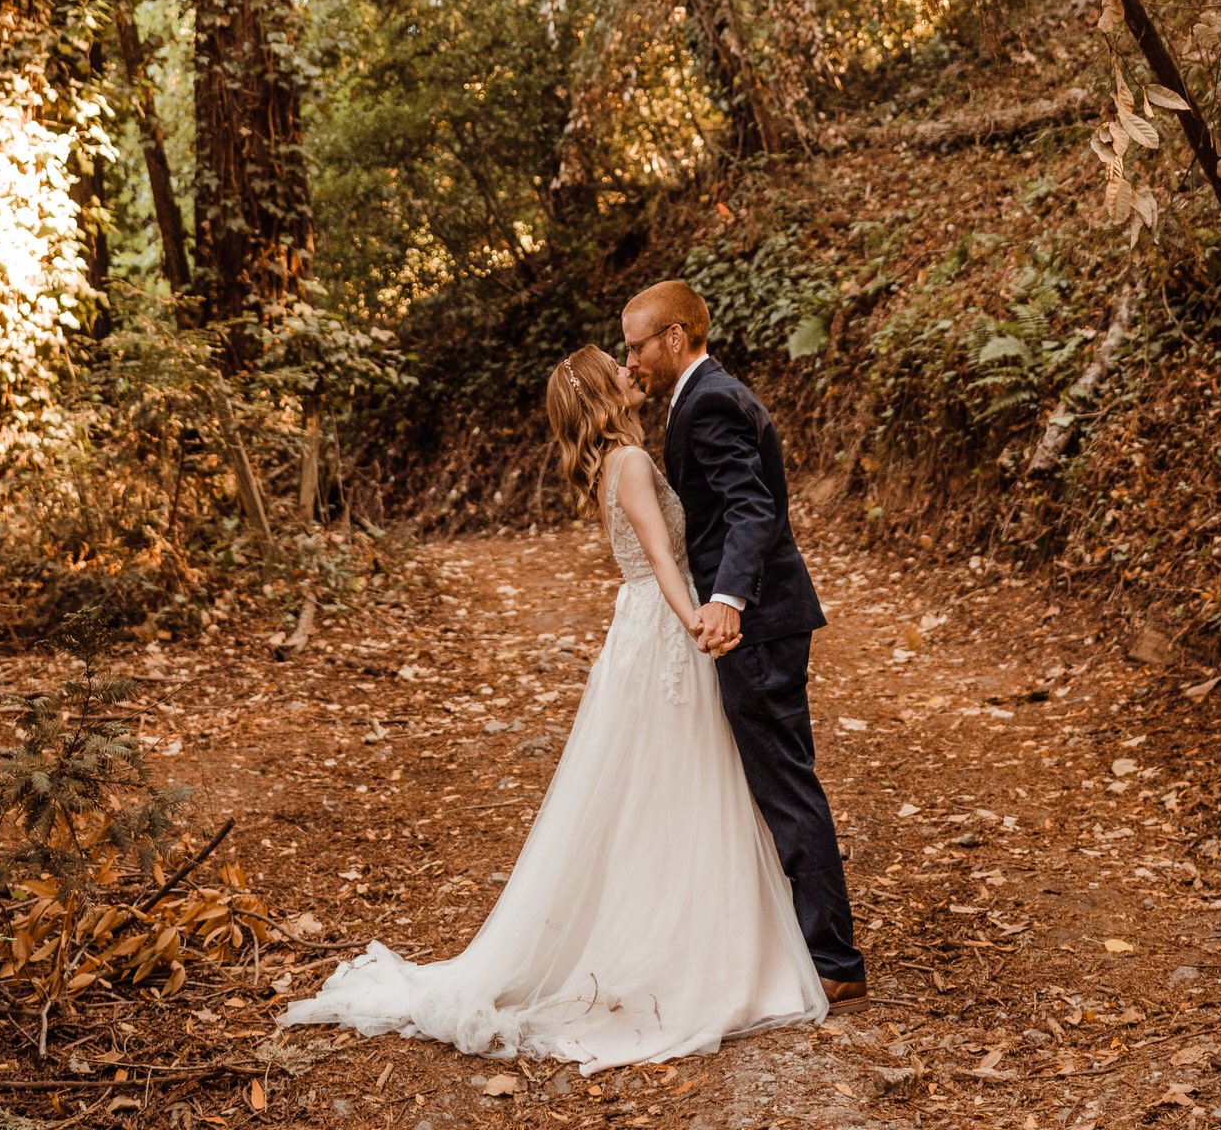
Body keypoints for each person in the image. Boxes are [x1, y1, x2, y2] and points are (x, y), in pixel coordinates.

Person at [280, 344, 826, 1071]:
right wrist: (694, 618)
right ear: (604, 390)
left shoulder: (622, 457)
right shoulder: (628, 463)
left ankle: (708, 939)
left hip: (648, 626)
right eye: (619, 366)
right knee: (674, 782)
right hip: (664, 626)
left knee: (671, 780)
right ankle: (685, 950)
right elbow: (664, 557)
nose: (633, 370)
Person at [621, 277, 866, 1003]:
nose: (629, 357)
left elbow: (751, 509)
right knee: (783, 780)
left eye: (637, 344)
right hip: (767, 618)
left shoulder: (709, 404)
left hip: (757, 623)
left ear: (674, 338)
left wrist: (727, 599)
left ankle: (834, 962)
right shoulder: (705, 396)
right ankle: (813, 942)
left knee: (786, 785)